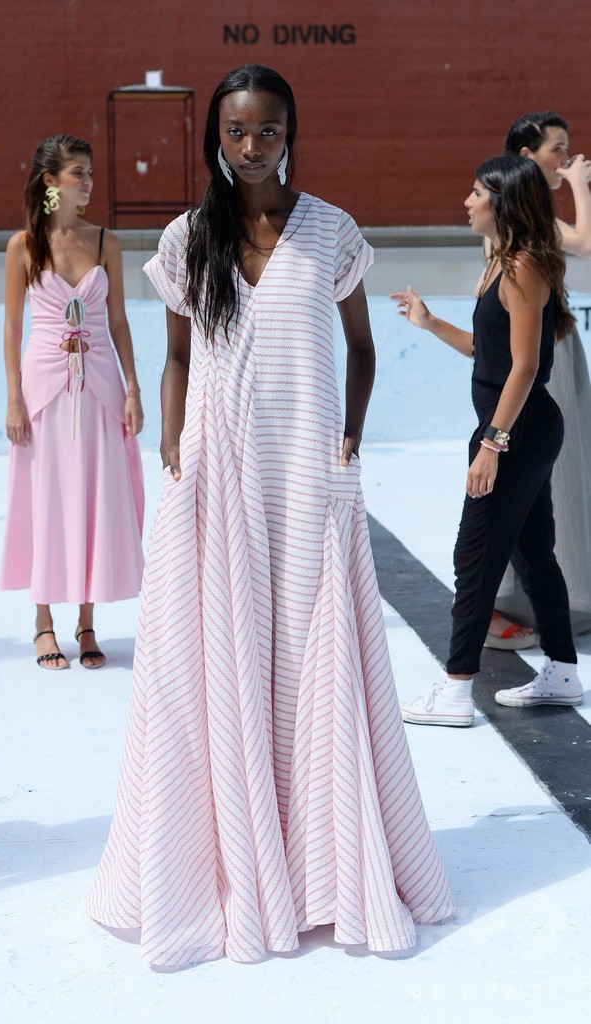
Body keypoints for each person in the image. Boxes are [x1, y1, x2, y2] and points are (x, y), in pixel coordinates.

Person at [89, 65, 453, 965]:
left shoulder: (331, 231)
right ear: (215, 135)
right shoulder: (186, 238)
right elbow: (178, 357)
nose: (252, 147)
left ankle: (322, 866)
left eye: (268, 130)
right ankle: (223, 866)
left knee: (310, 662)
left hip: (307, 479)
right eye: (236, 131)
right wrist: (171, 441)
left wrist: (350, 437)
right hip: (216, 476)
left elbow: (361, 348)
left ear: (291, 131)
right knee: (212, 662)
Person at [391, 155, 583, 727]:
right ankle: (562, 672)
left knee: (474, 556)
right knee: (532, 552)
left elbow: (525, 368)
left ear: (503, 203)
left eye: (477, 193)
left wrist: (492, 445)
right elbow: (487, 351)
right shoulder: (504, 264)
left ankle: (455, 690)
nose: (467, 201)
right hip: (521, 428)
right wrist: (429, 323)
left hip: (515, 432)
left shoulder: (522, 267)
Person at [0, 133, 145, 670]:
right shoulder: (23, 246)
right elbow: (12, 328)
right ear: (50, 181)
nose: (88, 182)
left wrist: (133, 388)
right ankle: (43, 623)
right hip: (43, 393)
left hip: (100, 387)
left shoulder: (106, 241)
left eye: (89, 172)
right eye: (77, 172)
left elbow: (119, 320)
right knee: (45, 499)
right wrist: (14, 400)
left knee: (94, 497)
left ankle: (86, 622)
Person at [490, 112, 591, 641]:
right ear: (527, 157)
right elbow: (587, 243)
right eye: (558, 149)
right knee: (542, 469)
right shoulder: (517, 220)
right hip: (540, 351)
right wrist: (579, 186)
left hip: (556, 345)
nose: (566, 159)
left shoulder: (521, 217)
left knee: (561, 469)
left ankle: (548, 596)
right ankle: (521, 600)